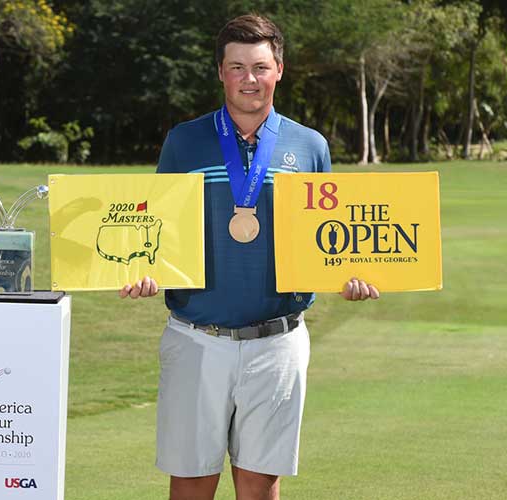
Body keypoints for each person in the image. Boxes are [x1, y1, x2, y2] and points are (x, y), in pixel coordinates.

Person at [120, 14, 379, 500]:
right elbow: (156, 228)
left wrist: (351, 276)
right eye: (237, 67)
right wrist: (143, 271)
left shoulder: (310, 146)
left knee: (260, 487)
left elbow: (332, 240)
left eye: (260, 66)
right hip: (196, 339)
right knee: (191, 485)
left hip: (277, 341)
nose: (249, 79)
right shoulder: (184, 141)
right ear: (220, 72)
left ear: (279, 69)